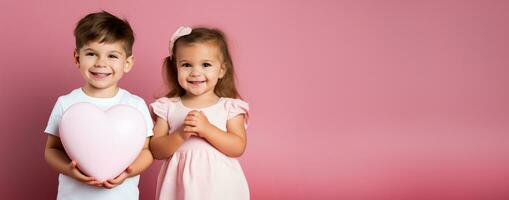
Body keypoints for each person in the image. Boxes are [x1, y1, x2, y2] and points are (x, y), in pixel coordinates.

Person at [44, 11, 153, 200]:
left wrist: (128, 171)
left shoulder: (135, 105)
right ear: (77, 58)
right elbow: (52, 150)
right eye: (92, 54)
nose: (101, 63)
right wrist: (69, 170)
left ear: (127, 63)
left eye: (112, 56)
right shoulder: (66, 103)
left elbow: (146, 151)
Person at [150, 26, 250, 200]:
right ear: (176, 69)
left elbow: (237, 147)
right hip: (179, 187)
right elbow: (157, 150)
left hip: (220, 186)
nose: (196, 72)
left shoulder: (229, 107)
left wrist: (207, 129)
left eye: (206, 64)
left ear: (221, 70)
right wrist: (180, 134)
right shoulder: (168, 107)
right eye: (187, 65)